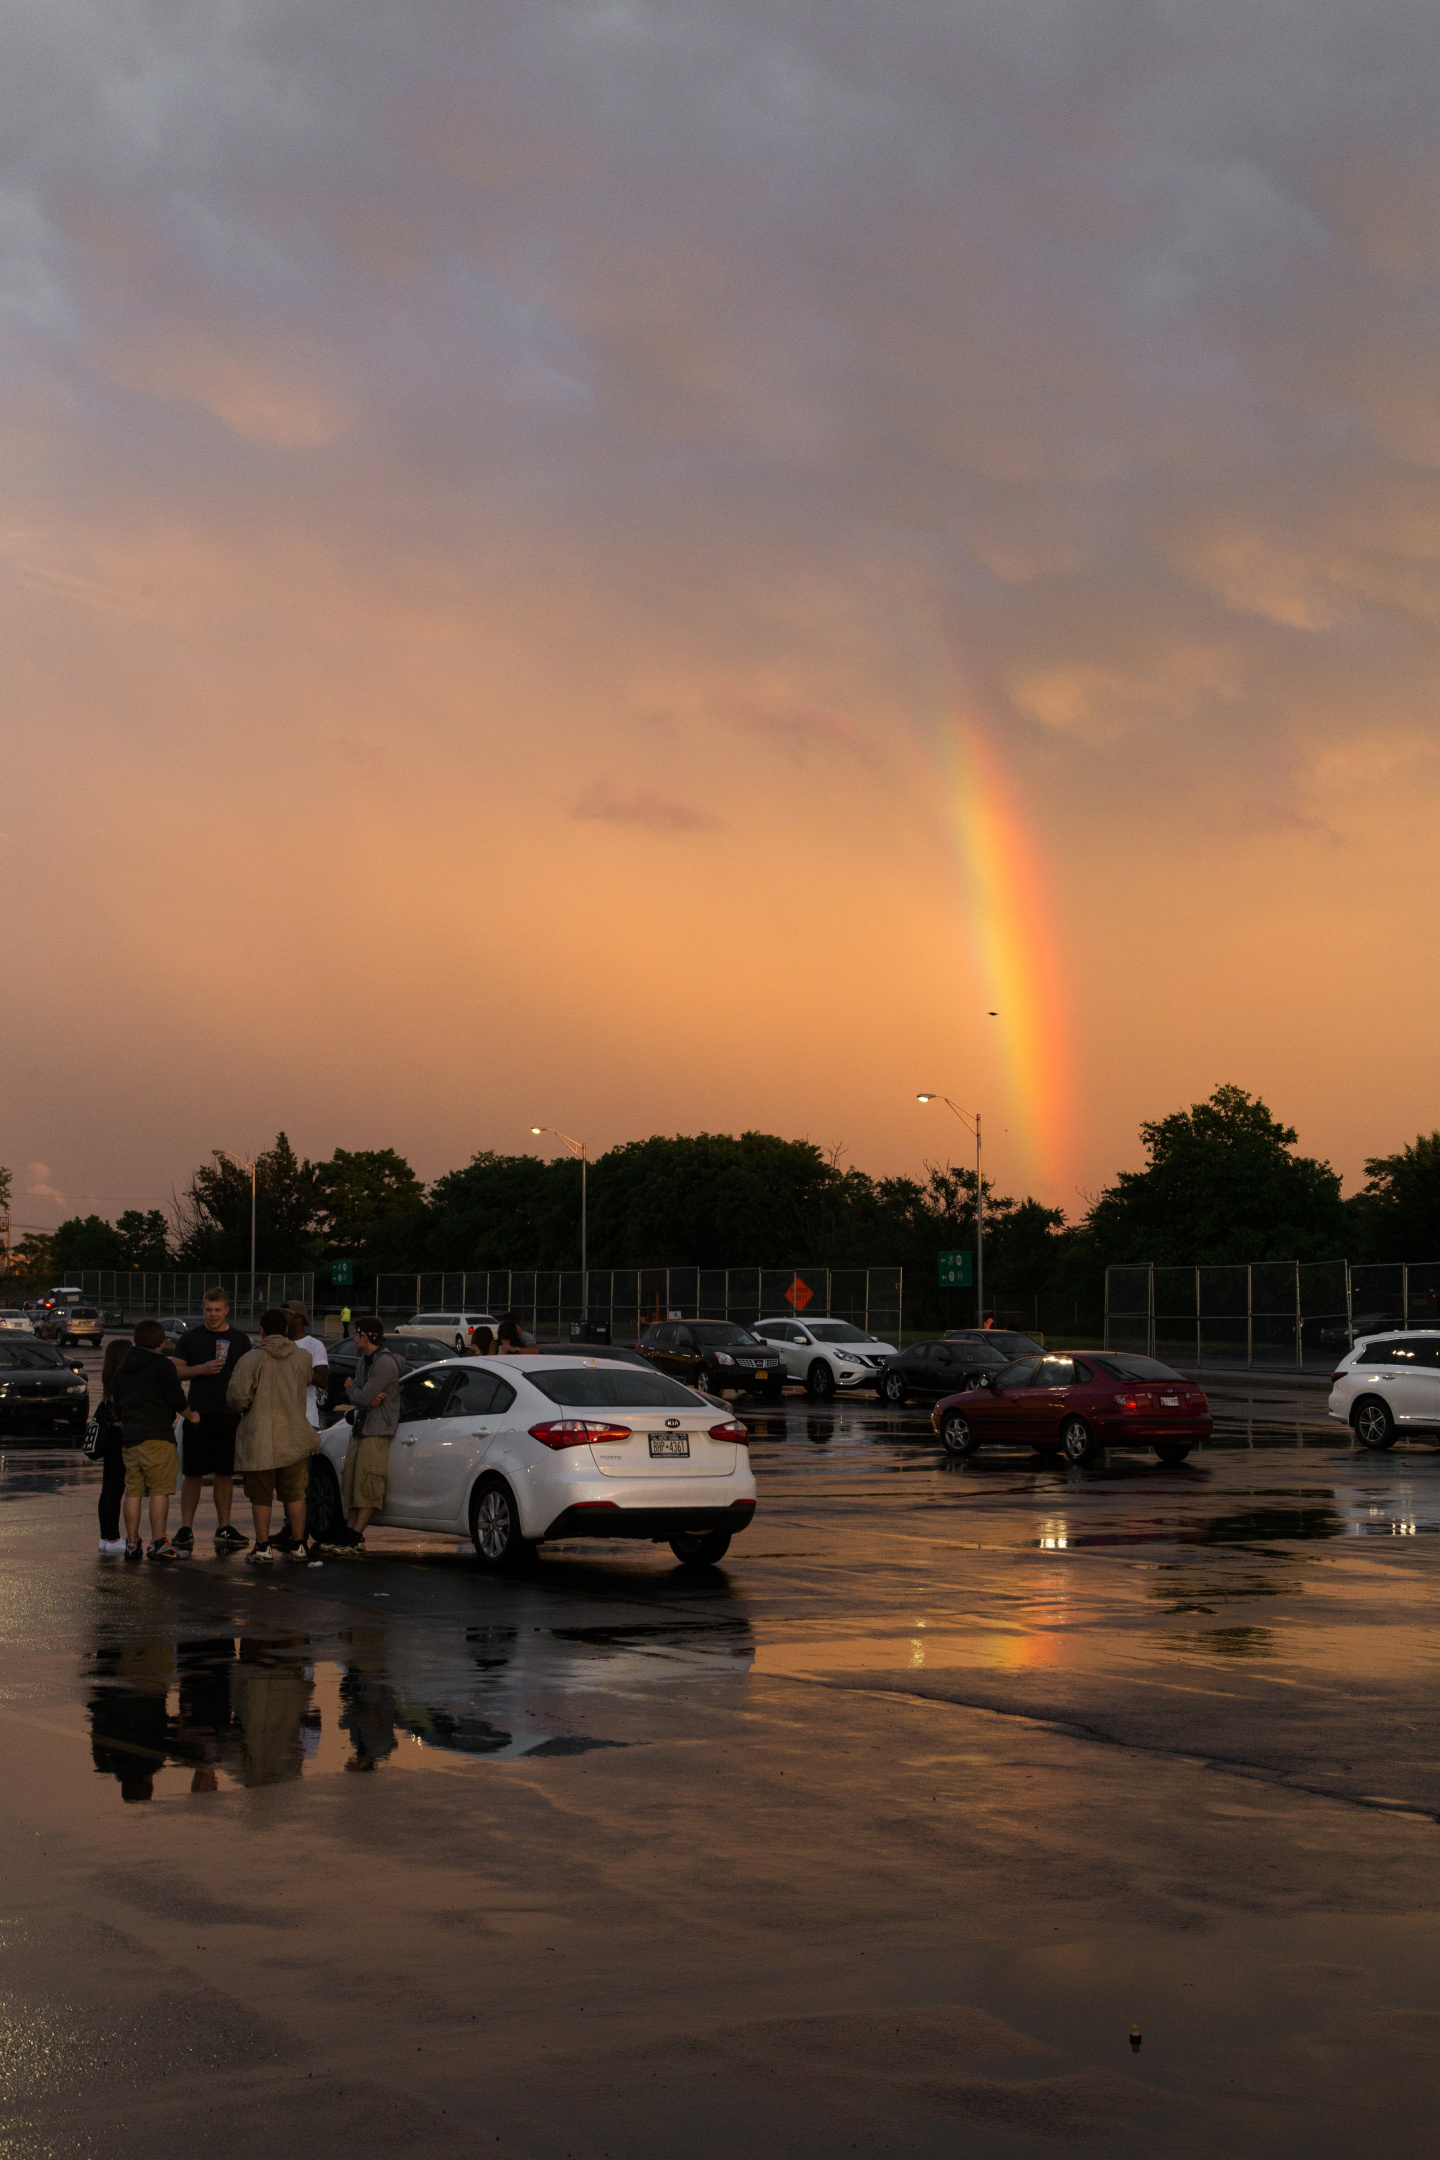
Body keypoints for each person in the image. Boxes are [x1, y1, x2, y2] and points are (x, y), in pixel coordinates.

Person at [226, 1308, 316, 1566]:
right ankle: (299, 1545)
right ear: (286, 1330)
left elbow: (236, 1397)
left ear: (262, 1330)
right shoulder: (303, 1357)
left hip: (260, 1438)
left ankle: (262, 1547)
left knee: (261, 1495)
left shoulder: (252, 1359)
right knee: (296, 1493)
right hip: (295, 1436)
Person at [171, 1288, 251, 1553]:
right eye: (208, 1309)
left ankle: (224, 1527)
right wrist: (200, 1369)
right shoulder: (192, 1338)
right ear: (202, 1309)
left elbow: (249, 1376)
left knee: (225, 1474)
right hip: (197, 1414)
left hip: (229, 1415)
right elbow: (175, 1370)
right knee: (193, 1473)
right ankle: (186, 1528)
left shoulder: (239, 1340)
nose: (212, 1315)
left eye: (217, 1310)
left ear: (227, 1309)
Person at [113, 1319, 199, 1562]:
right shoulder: (162, 1365)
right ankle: (158, 1541)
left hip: (130, 1438)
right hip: (157, 1436)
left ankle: (131, 1543)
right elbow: (176, 1397)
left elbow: (117, 1401)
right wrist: (191, 1416)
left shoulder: (123, 1367)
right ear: (161, 1341)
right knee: (160, 1490)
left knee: (133, 1491)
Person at [329, 1318, 400, 1554]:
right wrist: (362, 1395)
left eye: (357, 1335)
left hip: (376, 1431)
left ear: (365, 1337)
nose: (354, 1339)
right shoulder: (364, 1362)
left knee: (369, 1485)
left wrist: (354, 1389)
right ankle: (348, 1535)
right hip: (360, 1428)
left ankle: (355, 1536)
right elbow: (363, 1397)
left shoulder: (384, 1364)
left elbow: (361, 1396)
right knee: (352, 1484)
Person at [94, 1339, 130, 1555]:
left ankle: (106, 1536)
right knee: (116, 1489)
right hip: (119, 1436)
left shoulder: (108, 1379)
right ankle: (114, 1537)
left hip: (109, 1438)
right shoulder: (123, 1380)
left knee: (108, 1488)